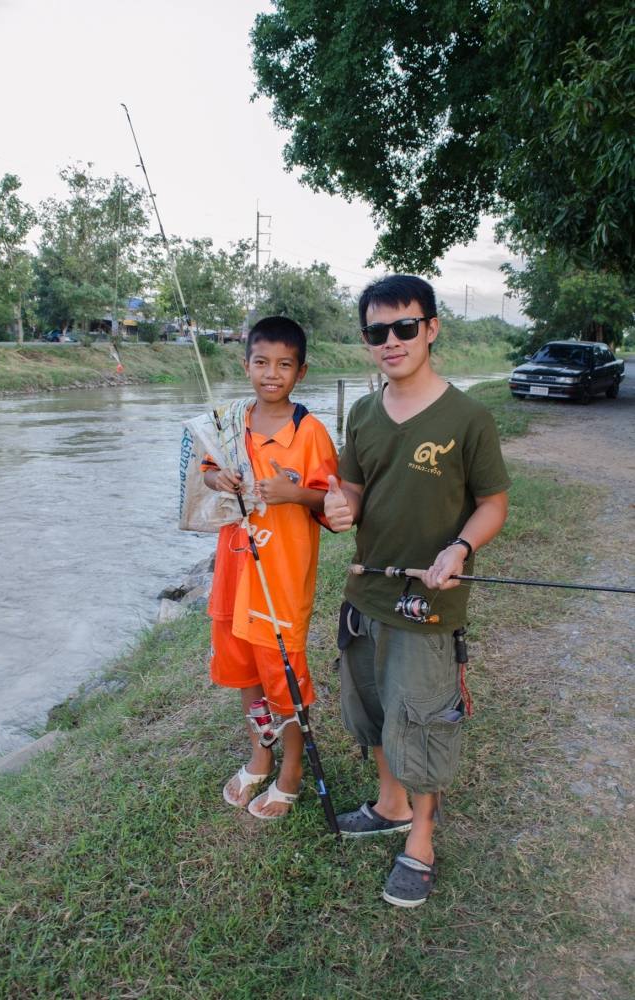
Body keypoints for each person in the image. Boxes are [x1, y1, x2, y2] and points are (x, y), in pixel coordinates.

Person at [324, 274, 510, 907]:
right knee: (373, 709)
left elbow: (493, 504)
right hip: (366, 595)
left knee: (423, 722)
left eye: (405, 327)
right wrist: (339, 507)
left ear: (432, 328)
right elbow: (351, 489)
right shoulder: (364, 412)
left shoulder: (468, 417)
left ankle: (422, 840)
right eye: (378, 332)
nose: (392, 341)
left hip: (428, 605)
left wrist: (460, 548)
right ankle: (390, 805)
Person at [202, 316, 338, 819]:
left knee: (285, 682)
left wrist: (294, 493)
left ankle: (292, 770)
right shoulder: (231, 420)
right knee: (246, 675)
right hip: (234, 574)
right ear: (247, 365)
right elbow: (210, 469)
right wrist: (222, 480)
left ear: (301, 372)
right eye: (261, 362)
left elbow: (332, 508)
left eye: (284, 365)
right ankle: (261, 755)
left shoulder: (311, 432)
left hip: (279, 581)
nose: (271, 374)